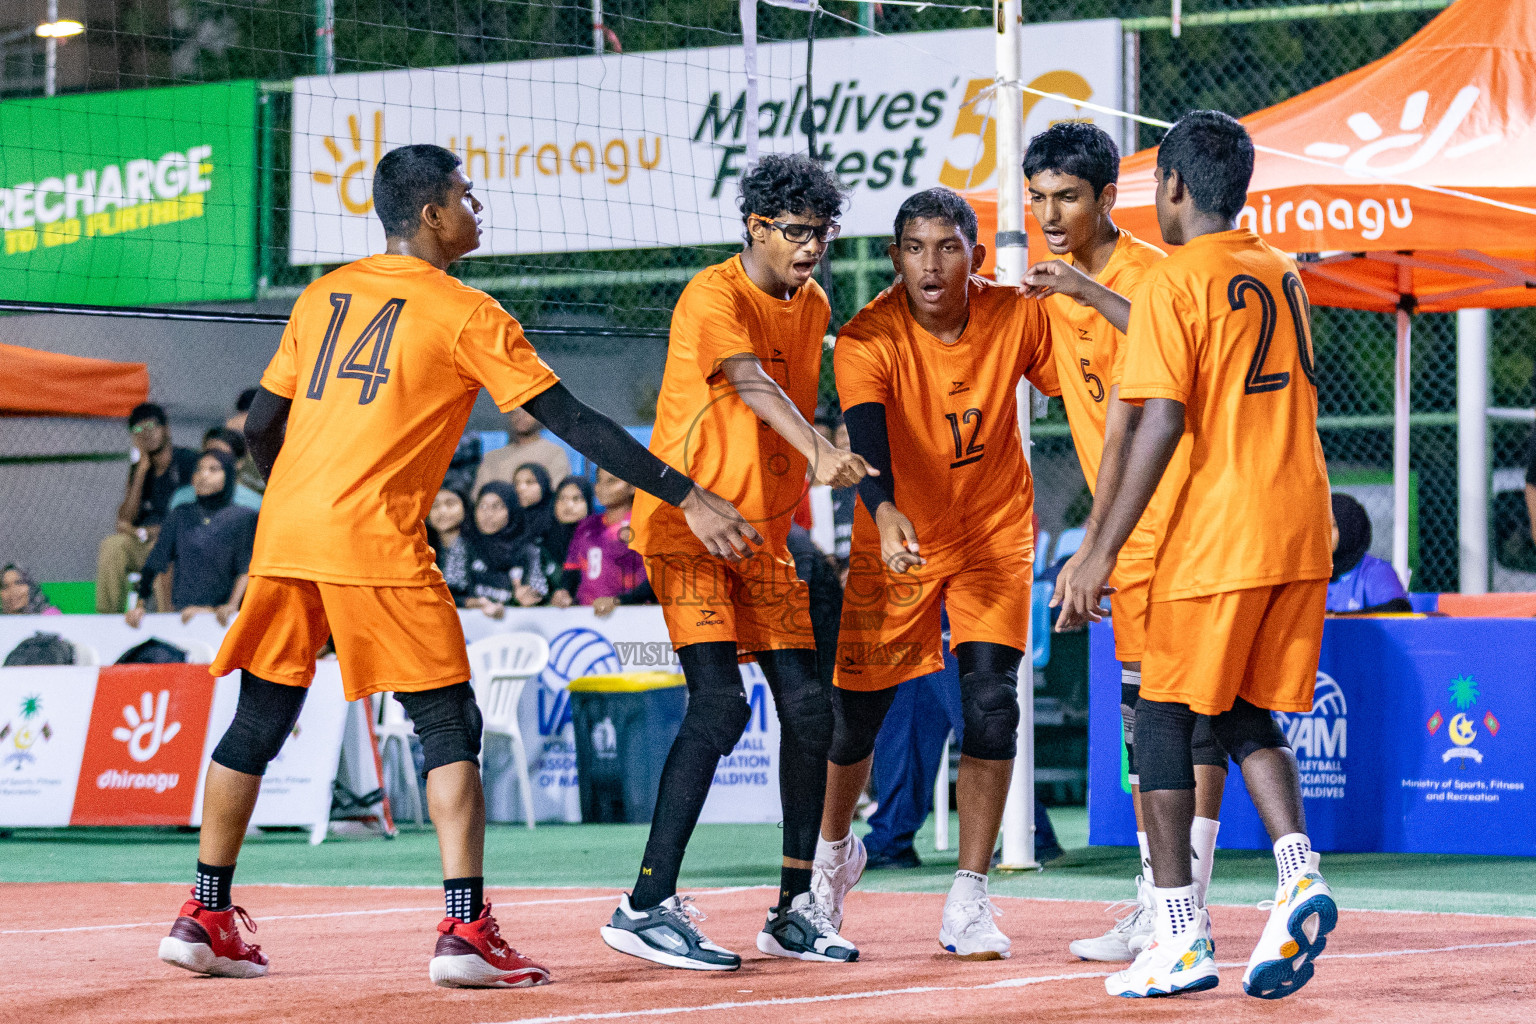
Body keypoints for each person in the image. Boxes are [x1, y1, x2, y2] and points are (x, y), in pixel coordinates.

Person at [157, 142, 759, 989]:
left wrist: (300, 484)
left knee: (260, 715)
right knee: (449, 727)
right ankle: (466, 930)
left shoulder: (323, 293)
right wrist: (684, 490)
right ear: (433, 216)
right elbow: (573, 421)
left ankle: (203, 912)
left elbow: (260, 426)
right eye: (467, 196)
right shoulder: (466, 312)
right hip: (372, 539)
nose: (479, 207)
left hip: (287, 533)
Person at [1052, 110, 1338, 1000]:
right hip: (1303, 530)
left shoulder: (1178, 282)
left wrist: (1098, 550)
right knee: (1243, 710)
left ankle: (1178, 931)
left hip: (1219, 533)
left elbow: (1160, 420)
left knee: (1166, 718)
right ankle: (1298, 872)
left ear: (1171, 187)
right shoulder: (1281, 271)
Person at [602, 153, 871, 971]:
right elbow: (752, 383)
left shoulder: (816, 300)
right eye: (796, 232)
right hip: (690, 525)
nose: (812, 248)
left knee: (810, 709)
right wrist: (820, 448)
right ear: (755, 226)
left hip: (760, 538)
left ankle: (794, 907)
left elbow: (786, 401)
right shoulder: (713, 294)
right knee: (718, 706)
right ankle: (644, 904)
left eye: (822, 233)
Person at [812, 187, 1060, 963]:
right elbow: (869, 439)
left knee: (991, 708)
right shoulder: (865, 336)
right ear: (894, 258)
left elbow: (1093, 386)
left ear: (975, 257)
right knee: (857, 719)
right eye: (915, 248)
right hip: (899, 540)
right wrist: (883, 511)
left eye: (947, 246)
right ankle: (829, 862)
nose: (930, 262)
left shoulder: (1017, 314)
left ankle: (968, 896)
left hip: (992, 535)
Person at [1019, 121, 1228, 963]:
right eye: (1038, 198)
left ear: (1109, 198)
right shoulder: (1057, 290)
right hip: (1123, 538)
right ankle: (1163, 899)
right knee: (1149, 721)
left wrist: (1080, 289)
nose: (1050, 212)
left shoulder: (1152, 275)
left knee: (1183, 720)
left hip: (1180, 529)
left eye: (1067, 196)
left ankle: (1182, 907)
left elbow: (1170, 342)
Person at [127, 450, 258, 628]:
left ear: (229, 476)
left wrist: (231, 606)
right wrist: (140, 605)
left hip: (225, 618)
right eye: (199, 469)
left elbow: (246, 567)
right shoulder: (181, 514)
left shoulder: (244, 518)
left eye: (213, 469)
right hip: (182, 615)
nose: (203, 475)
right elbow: (155, 562)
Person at [96, 403, 200, 613]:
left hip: (178, 544)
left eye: (151, 426)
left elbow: (194, 516)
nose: (146, 434)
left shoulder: (189, 461)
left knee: (160, 550)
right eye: (138, 430)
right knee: (112, 545)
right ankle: (108, 620)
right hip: (143, 541)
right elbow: (125, 518)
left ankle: (166, 621)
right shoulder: (139, 469)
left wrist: (148, 532)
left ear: (166, 429)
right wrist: (141, 471)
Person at [565, 469, 650, 617]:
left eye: (611, 481)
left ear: (633, 487)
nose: (602, 487)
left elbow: (656, 579)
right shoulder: (586, 525)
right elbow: (572, 570)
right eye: (598, 481)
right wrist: (563, 592)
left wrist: (618, 602)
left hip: (636, 615)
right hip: (587, 616)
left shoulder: (646, 524)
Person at [462, 482, 536, 617]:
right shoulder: (465, 546)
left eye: (497, 506)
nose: (488, 514)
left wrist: (523, 600)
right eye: (482, 506)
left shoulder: (528, 551)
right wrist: (473, 603)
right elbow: (446, 594)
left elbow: (540, 596)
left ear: (512, 510)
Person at [1327, 493, 1410, 613]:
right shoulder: (1309, 573)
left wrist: (1336, 619)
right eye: (1319, 524)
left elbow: (1398, 611)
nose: (1322, 532)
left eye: (1333, 525)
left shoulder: (1375, 571)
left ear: (1349, 530)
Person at [473, 407, 571, 497]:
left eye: (527, 410)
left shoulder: (554, 453)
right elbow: (480, 496)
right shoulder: (493, 457)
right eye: (515, 411)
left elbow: (557, 494)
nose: (521, 415)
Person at [170, 429, 263, 511]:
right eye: (208, 453)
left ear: (239, 463)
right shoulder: (182, 498)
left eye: (220, 455)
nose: (212, 458)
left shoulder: (253, 504)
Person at [543, 475, 593, 608]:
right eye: (562, 498)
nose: (568, 505)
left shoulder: (598, 540)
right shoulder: (541, 543)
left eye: (577, 499)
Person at [427, 487, 474, 606]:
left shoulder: (478, 546)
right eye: (435, 506)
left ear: (465, 506)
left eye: (450, 503)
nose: (442, 511)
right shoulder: (421, 549)